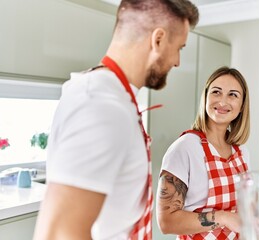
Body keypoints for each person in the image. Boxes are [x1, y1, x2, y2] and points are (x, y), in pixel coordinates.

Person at [33, 1, 198, 240]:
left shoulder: (113, 97)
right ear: (158, 40)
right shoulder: (102, 105)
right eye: (179, 48)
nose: (177, 61)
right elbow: (59, 233)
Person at [156, 66, 250, 239]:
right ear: (205, 97)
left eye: (233, 95)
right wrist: (223, 217)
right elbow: (166, 222)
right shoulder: (185, 148)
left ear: (242, 105)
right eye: (216, 92)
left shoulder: (241, 151)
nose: (222, 101)